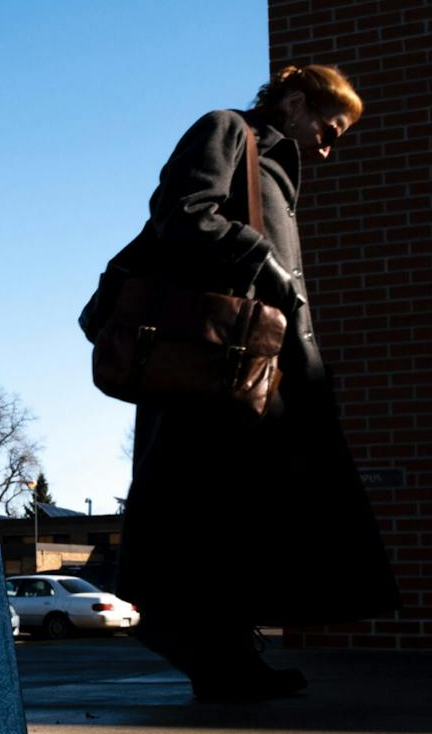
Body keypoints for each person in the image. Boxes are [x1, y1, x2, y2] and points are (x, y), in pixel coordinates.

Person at [114, 64, 398, 701]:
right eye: (327, 128)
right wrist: (261, 259)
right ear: (294, 104)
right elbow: (182, 214)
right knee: (205, 505)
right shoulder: (227, 131)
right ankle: (192, 636)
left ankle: (228, 657)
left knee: (240, 513)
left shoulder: (274, 170)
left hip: (262, 371)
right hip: (215, 366)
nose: (328, 145)